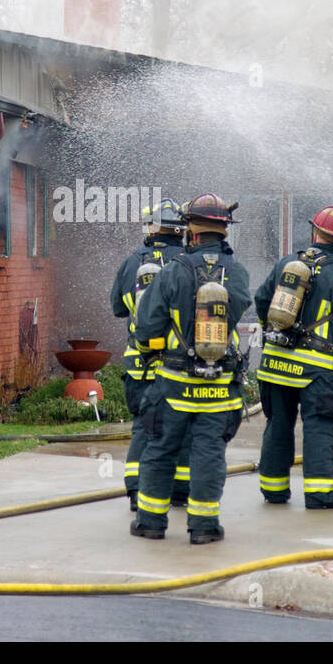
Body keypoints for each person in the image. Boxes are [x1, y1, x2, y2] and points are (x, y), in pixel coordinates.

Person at [130, 193, 252, 544]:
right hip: (219, 388)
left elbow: (147, 326)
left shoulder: (174, 271)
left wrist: (150, 347)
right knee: (209, 454)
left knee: (161, 448)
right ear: (224, 232)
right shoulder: (238, 273)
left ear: (192, 232)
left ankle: (151, 522)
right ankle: (203, 527)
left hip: (174, 384)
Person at [255, 205, 333, 509]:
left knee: (278, 424)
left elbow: (263, 300)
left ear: (314, 232)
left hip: (276, 363)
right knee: (319, 427)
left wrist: (278, 329)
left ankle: (274, 491)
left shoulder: (287, 263)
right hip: (318, 369)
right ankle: (319, 495)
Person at [110, 198, 189, 510]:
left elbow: (118, 308)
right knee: (182, 422)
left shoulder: (132, 262)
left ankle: (136, 489)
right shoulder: (187, 260)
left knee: (144, 425)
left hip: (140, 363)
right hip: (179, 363)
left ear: (151, 226)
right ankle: (180, 490)